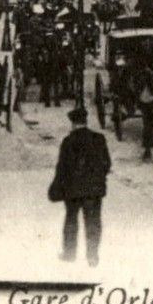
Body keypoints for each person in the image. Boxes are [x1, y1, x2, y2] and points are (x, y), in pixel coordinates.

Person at [49, 107, 111, 266]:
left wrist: (57, 187)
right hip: (94, 190)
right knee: (93, 222)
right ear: (85, 121)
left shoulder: (68, 141)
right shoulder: (99, 139)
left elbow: (62, 167)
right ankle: (92, 256)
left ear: (73, 123)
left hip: (73, 190)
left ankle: (69, 254)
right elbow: (106, 163)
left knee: (71, 220)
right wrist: (97, 179)